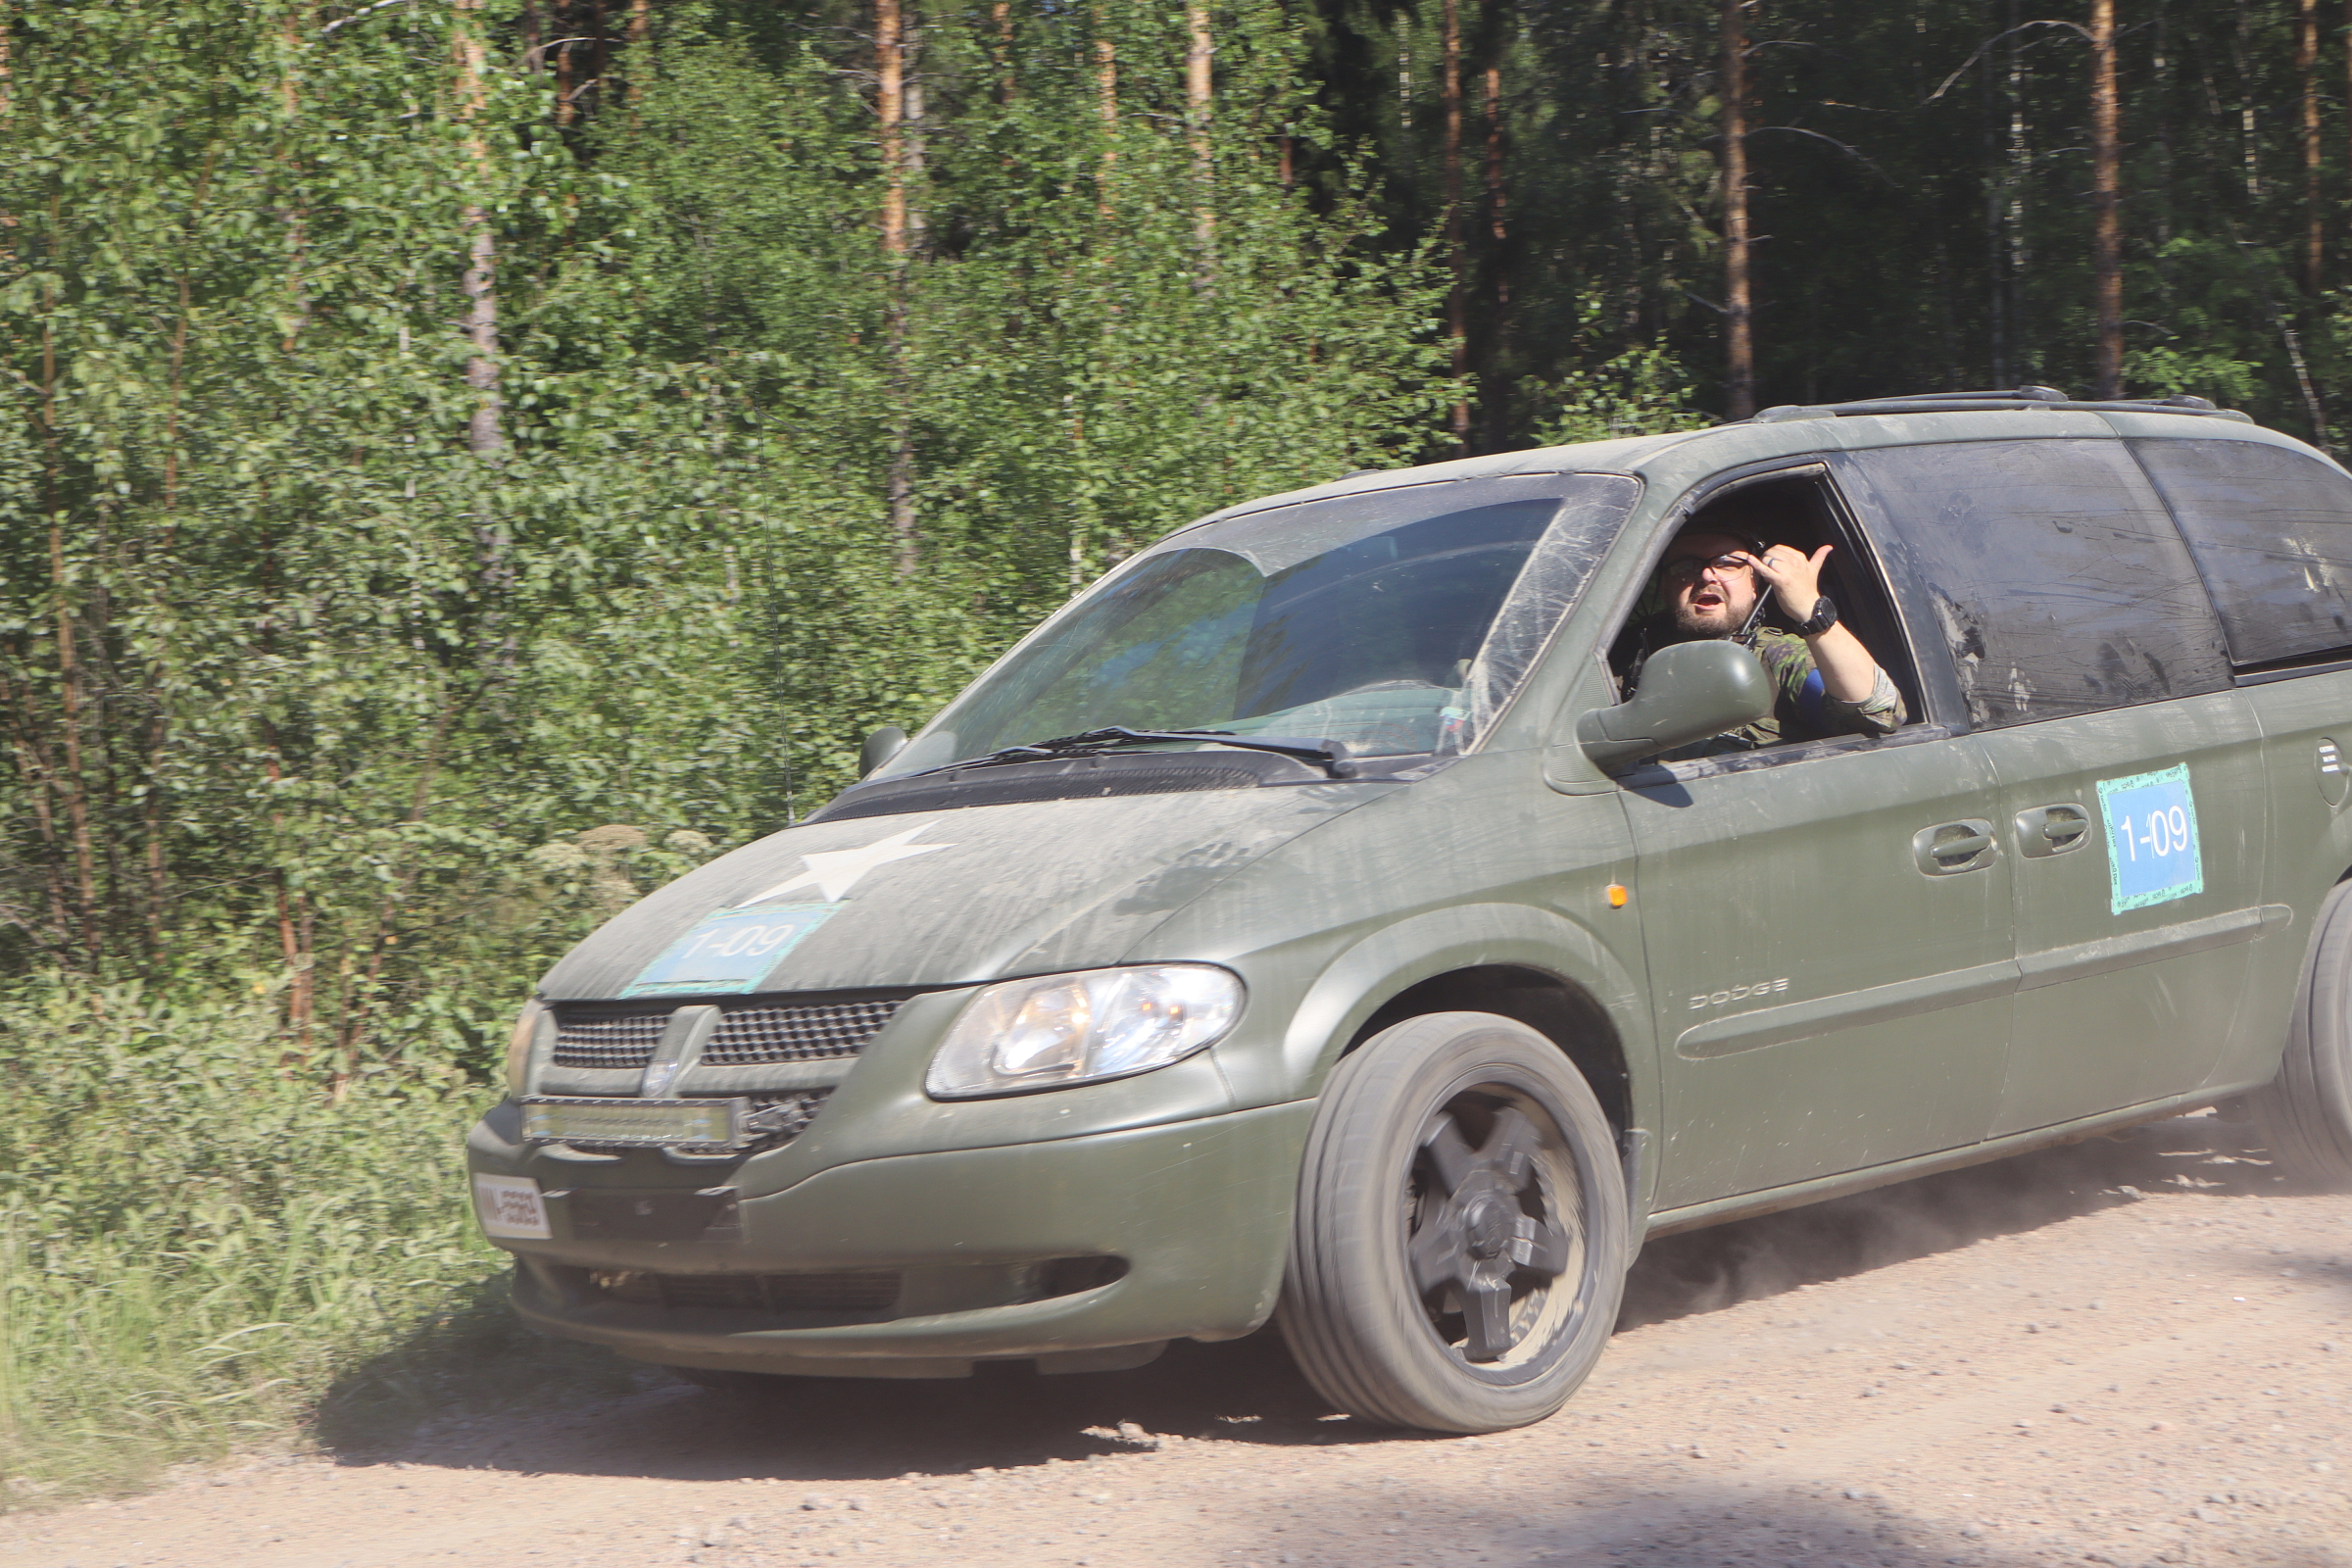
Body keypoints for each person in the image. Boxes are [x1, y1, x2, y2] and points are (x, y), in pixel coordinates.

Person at [1626, 524, 1906, 751]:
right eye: (1686, 564)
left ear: (1754, 584)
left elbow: (1877, 711)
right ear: (1665, 585)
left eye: (1727, 563)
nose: (1706, 575)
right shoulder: (1626, 652)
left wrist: (1810, 609)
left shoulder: (1779, 656)